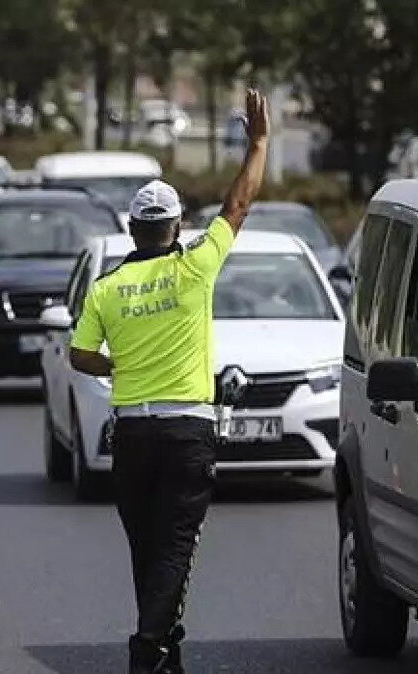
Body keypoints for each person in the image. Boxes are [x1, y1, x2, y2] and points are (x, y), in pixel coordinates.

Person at [68, 89, 270, 674]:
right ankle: (147, 649)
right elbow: (238, 204)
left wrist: (117, 366)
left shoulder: (105, 289)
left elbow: (80, 357)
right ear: (177, 226)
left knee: (147, 550)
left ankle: (164, 652)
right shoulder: (195, 268)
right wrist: (257, 143)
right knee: (176, 548)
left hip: (131, 435)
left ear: (132, 229)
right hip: (187, 432)